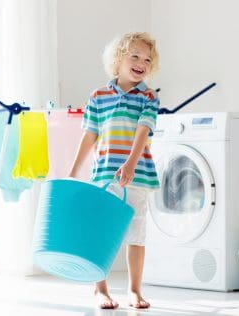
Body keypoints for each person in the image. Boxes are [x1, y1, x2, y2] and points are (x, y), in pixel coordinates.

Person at [69, 32, 160, 309]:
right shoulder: (98, 96)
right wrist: (74, 171)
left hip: (138, 174)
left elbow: (144, 130)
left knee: (136, 234)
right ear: (118, 59)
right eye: (134, 56)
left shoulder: (148, 96)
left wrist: (131, 163)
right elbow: (89, 135)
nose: (140, 62)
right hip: (104, 175)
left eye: (146, 59)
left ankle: (134, 291)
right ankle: (100, 290)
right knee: (100, 231)